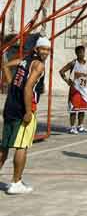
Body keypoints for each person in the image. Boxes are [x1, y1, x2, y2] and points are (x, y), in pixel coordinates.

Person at [0, 36, 51, 194]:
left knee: (4, 145)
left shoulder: (23, 61)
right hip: (23, 109)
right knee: (22, 146)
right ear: (37, 49)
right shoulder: (39, 65)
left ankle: (16, 180)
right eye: (43, 49)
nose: (46, 52)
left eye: (48, 50)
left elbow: (6, 65)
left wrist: (10, 84)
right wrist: (28, 111)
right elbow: (28, 88)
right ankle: (16, 183)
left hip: (10, 106)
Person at [59, 45, 87, 135]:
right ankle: (72, 127)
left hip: (84, 91)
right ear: (76, 53)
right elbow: (61, 71)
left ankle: (80, 126)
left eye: (83, 52)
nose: (82, 54)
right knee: (74, 110)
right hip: (75, 90)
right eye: (80, 52)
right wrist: (67, 81)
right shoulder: (73, 63)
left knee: (82, 110)